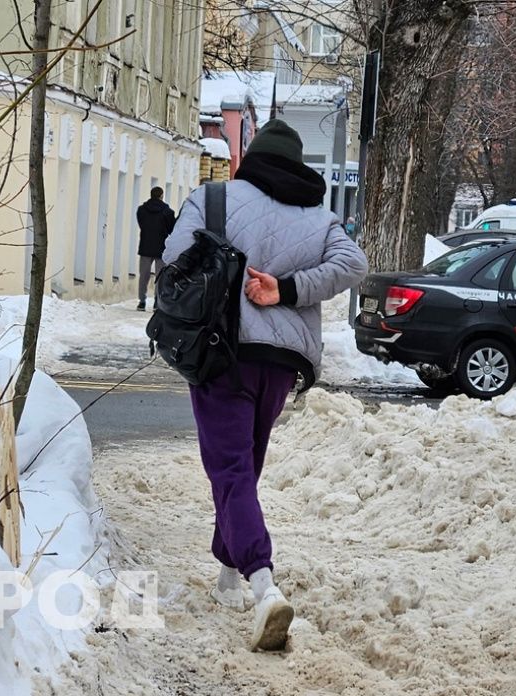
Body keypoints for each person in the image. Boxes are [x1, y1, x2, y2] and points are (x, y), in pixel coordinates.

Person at [162, 120, 368, 651]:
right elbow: (354, 265)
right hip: (281, 362)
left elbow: (170, 259)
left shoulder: (212, 198)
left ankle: (262, 584)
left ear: (252, 156)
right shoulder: (321, 218)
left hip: (220, 353)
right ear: (298, 163)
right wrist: (290, 288)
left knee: (231, 470)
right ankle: (229, 575)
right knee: (244, 467)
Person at [136, 187, 176, 311]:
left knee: (144, 275)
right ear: (161, 196)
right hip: (161, 248)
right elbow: (171, 229)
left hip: (145, 246)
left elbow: (141, 224)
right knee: (160, 276)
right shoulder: (168, 212)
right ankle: (157, 302)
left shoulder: (141, 210)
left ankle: (142, 301)